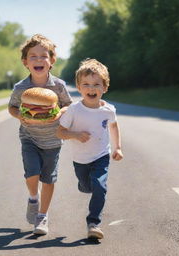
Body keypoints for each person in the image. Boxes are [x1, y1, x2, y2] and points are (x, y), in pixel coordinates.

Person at [8, 34, 72, 235]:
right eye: (32, 56)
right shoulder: (21, 87)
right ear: (25, 62)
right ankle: (33, 198)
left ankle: (42, 216)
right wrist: (20, 115)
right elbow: (11, 107)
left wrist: (60, 112)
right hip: (29, 137)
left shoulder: (58, 86)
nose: (38, 60)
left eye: (43, 56)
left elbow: (69, 105)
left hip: (53, 139)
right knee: (32, 173)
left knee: (49, 179)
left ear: (51, 61)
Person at [56, 58, 123, 239]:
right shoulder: (74, 110)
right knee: (86, 186)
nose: (91, 88)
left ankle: (93, 223)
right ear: (78, 87)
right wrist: (76, 135)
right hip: (81, 160)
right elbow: (60, 132)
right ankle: (85, 185)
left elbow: (114, 127)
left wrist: (117, 148)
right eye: (86, 84)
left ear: (105, 87)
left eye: (96, 84)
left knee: (100, 186)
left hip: (101, 155)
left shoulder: (109, 110)